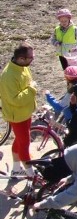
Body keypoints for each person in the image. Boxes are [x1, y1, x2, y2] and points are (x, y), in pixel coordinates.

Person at [0, 43, 37, 176]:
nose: (32, 60)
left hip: (25, 112)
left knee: (20, 140)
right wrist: (32, 89)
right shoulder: (8, 76)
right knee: (25, 143)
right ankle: (30, 173)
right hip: (17, 116)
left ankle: (16, 169)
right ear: (21, 59)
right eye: (30, 58)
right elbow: (15, 100)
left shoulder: (22, 67)